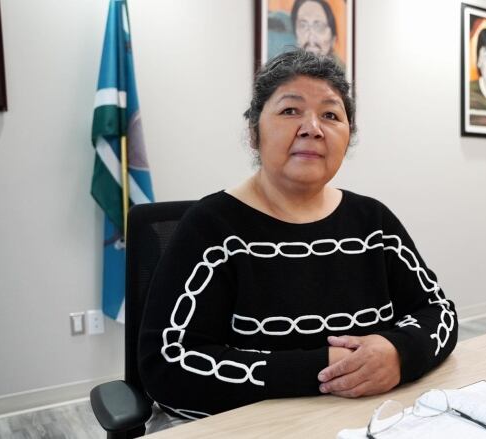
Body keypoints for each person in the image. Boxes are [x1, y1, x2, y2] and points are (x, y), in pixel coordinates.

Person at [138, 49, 459, 432]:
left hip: (366, 423)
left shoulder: (373, 221)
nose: (312, 127)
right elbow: (167, 364)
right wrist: (323, 367)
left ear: (348, 136)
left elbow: (438, 311)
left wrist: (399, 352)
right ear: (253, 133)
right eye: (290, 111)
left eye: (330, 115)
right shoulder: (212, 227)